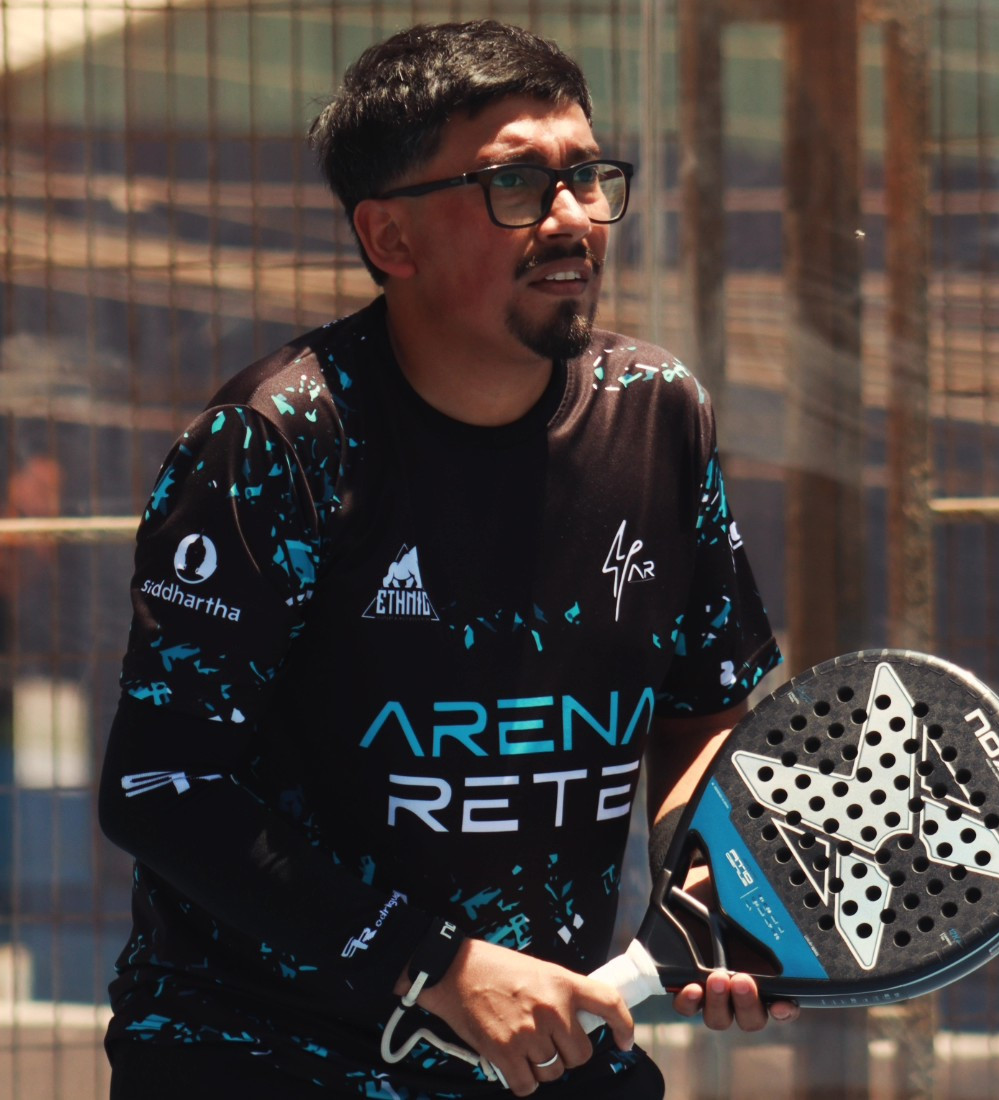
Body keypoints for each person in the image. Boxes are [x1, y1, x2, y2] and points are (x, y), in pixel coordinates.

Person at [98, 20, 797, 1099]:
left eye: (585, 176)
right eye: (515, 183)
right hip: (258, 1059)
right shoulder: (275, 442)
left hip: (549, 1054)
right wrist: (434, 965)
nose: (571, 217)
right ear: (391, 237)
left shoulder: (659, 414)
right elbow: (161, 786)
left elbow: (701, 713)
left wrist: (712, 883)